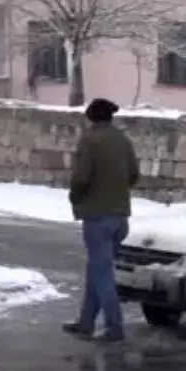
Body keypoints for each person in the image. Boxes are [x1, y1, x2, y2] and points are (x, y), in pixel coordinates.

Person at [63, 98, 140, 342]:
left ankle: (114, 327)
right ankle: (86, 323)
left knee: (102, 274)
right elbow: (134, 175)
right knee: (97, 271)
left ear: (91, 117)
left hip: (97, 218)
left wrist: (75, 197)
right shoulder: (122, 140)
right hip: (120, 218)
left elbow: (81, 178)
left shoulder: (90, 140)